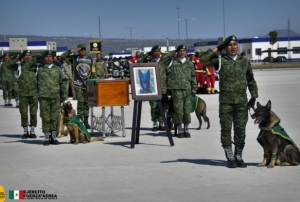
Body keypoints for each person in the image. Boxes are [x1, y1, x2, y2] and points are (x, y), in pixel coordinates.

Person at [200, 35, 258, 168]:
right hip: (226, 102)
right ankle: (230, 156)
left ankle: (238, 155)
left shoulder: (244, 62)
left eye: (235, 44)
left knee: (240, 130)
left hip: (241, 102)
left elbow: (250, 79)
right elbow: (203, 60)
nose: (233, 47)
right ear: (225, 47)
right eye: (230, 45)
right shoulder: (220, 61)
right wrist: (217, 48)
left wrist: (253, 96)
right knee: (226, 130)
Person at [162, 45, 197, 138]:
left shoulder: (190, 64)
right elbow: (163, 58)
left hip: (187, 90)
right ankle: (180, 129)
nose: (182, 52)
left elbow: (193, 76)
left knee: (186, 110)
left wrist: (194, 88)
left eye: (183, 51)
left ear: (186, 52)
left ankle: (186, 129)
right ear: (177, 52)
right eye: (180, 51)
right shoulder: (172, 63)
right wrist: (173, 51)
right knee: (178, 110)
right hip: (176, 90)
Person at [61, 44, 96, 129]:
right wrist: (72, 50)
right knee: (80, 102)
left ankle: (86, 121)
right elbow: (62, 56)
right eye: (80, 49)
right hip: (78, 83)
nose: (82, 51)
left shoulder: (90, 59)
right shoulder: (74, 58)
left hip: (88, 84)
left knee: (87, 102)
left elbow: (93, 72)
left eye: (84, 49)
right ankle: (80, 120)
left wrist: (95, 82)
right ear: (78, 50)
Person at [5, 50, 39, 138]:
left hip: (34, 93)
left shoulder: (36, 66)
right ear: (23, 57)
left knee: (33, 113)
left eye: (29, 55)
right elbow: (6, 65)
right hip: (23, 94)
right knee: (23, 113)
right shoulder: (18, 66)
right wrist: (17, 58)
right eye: (26, 55)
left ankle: (32, 130)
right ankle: (25, 131)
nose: (28, 57)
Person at [37, 50, 67, 146]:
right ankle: (46, 137)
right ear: (43, 58)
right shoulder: (39, 69)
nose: (49, 58)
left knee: (54, 117)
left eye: (50, 56)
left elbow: (62, 82)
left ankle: (53, 137)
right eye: (47, 56)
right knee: (45, 117)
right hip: (43, 97)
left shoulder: (57, 69)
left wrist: (64, 95)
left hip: (55, 97)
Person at [138, 45, 167, 131]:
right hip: (152, 88)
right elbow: (139, 61)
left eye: (158, 51)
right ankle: (155, 123)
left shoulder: (164, 61)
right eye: (155, 51)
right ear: (153, 52)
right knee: (153, 106)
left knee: (161, 106)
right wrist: (147, 54)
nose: (157, 53)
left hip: (162, 87)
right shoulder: (149, 62)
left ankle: (161, 123)